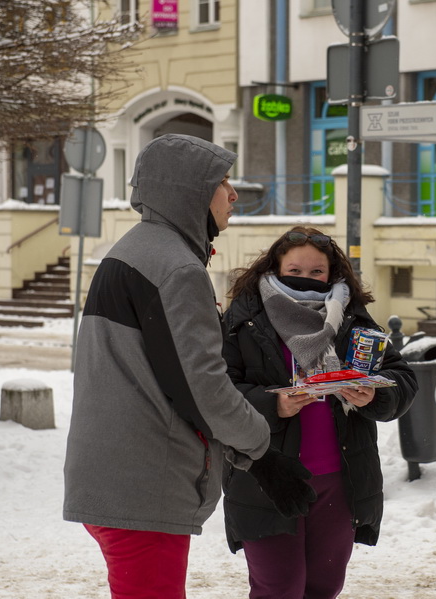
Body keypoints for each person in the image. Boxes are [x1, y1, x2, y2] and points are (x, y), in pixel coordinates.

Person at [63, 134, 316, 599]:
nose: (234, 194)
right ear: (189, 191)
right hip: (141, 484)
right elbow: (204, 386)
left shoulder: (134, 251)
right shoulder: (175, 268)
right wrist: (263, 455)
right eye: (222, 182)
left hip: (117, 477)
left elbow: (174, 377)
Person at [221, 225, 419, 599]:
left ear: (332, 274)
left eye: (317, 272)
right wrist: (272, 404)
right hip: (268, 475)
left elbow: (401, 378)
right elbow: (217, 391)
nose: (305, 279)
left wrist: (371, 395)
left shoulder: (351, 318)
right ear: (274, 267)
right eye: (294, 271)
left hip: (340, 482)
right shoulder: (244, 321)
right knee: (279, 589)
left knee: (324, 588)